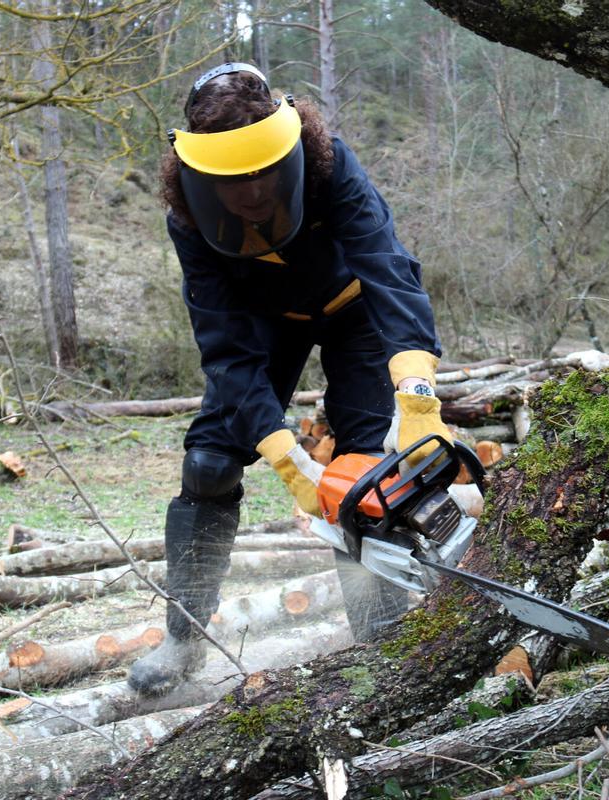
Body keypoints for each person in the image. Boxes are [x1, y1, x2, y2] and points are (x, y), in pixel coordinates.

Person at [127, 63, 453, 695]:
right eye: (233, 180)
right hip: (262, 324)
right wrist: (283, 454)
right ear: (200, 175)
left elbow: (388, 269)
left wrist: (417, 392)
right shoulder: (188, 219)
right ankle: (184, 637)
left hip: (354, 308)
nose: (252, 193)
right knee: (209, 464)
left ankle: (382, 644)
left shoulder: (332, 168)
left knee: (362, 469)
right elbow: (224, 345)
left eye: (264, 173)